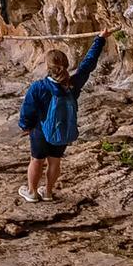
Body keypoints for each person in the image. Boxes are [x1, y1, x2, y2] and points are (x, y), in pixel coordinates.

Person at [24, 35, 109, 203]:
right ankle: (48, 192)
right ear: (66, 66)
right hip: (63, 128)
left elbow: (28, 109)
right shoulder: (73, 84)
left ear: (47, 67)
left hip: (40, 130)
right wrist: (100, 40)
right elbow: (88, 65)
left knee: (36, 160)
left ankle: (32, 193)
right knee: (55, 161)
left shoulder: (38, 87)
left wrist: (25, 126)